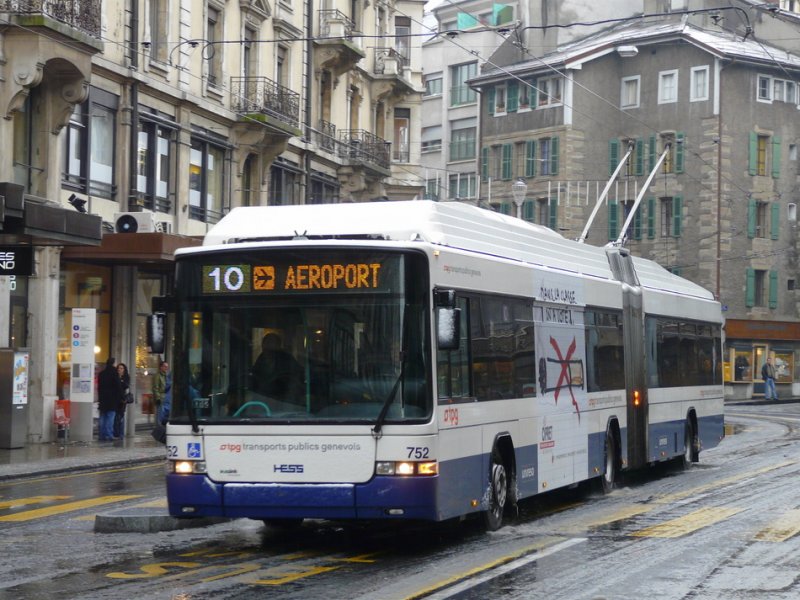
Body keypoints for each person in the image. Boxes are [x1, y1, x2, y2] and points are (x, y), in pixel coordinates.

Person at [249, 333, 302, 400]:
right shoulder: (260, 359)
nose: (268, 346)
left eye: (272, 343)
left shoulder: (287, 358)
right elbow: (255, 379)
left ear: (278, 346)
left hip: (284, 400)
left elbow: (297, 376)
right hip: (262, 399)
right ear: (262, 345)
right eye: (266, 343)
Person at [97, 357, 123, 441]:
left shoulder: (101, 374)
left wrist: (100, 397)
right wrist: (121, 397)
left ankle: (102, 435)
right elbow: (118, 386)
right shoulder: (114, 373)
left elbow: (99, 387)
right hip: (112, 399)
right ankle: (109, 435)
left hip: (103, 399)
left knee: (103, 417)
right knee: (110, 417)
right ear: (113, 363)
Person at [114, 363, 131, 438]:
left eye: (121, 368)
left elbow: (125, 386)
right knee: (115, 417)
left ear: (124, 370)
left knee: (121, 416)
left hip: (122, 400)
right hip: (115, 399)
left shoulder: (126, 377)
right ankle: (116, 432)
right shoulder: (114, 377)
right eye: (118, 368)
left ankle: (121, 434)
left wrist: (120, 380)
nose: (119, 370)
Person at [152, 360, 171, 425]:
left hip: (168, 398)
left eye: (167, 367)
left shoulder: (167, 376)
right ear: (161, 367)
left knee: (167, 415)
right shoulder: (158, 376)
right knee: (160, 416)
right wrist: (158, 398)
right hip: (161, 398)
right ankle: (159, 430)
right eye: (165, 366)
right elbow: (155, 388)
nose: (166, 368)